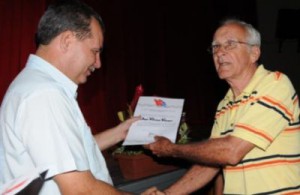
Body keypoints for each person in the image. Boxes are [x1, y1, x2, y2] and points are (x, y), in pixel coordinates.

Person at [142, 18, 300, 195]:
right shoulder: (225, 104)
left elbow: (231, 152)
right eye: (215, 47)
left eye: (230, 44)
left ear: (254, 53)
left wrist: (171, 149)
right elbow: (211, 163)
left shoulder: (275, 85)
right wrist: (168, 194)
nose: (220, 53)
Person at [0, 1, 139, 194]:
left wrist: (119, 133)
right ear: (67, 40)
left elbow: (68, 154)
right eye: (95, 51)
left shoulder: (35, 86)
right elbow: (80, 190)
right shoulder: (44, 95)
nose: (98, 64)